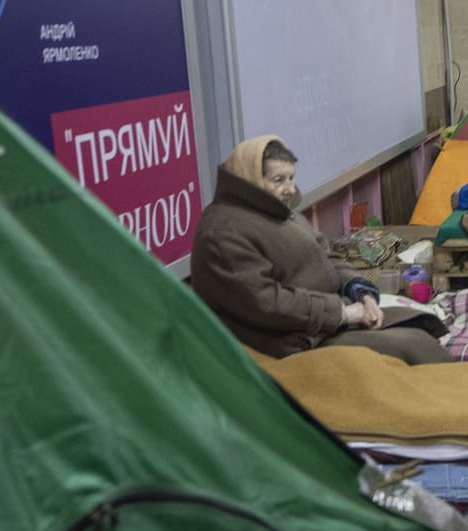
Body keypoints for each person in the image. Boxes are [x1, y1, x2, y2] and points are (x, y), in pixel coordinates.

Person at [191, 135, 450, 363]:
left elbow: (327, 255)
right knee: (410, 346)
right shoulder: (222, 233)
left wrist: (360, 291)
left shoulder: (276, 212)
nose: (290, 189)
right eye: (278, 180)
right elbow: (266, 303)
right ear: (247, 181)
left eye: (291, 178)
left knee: (421, 325)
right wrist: (341, 313)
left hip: (327, 320)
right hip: (292, 340)